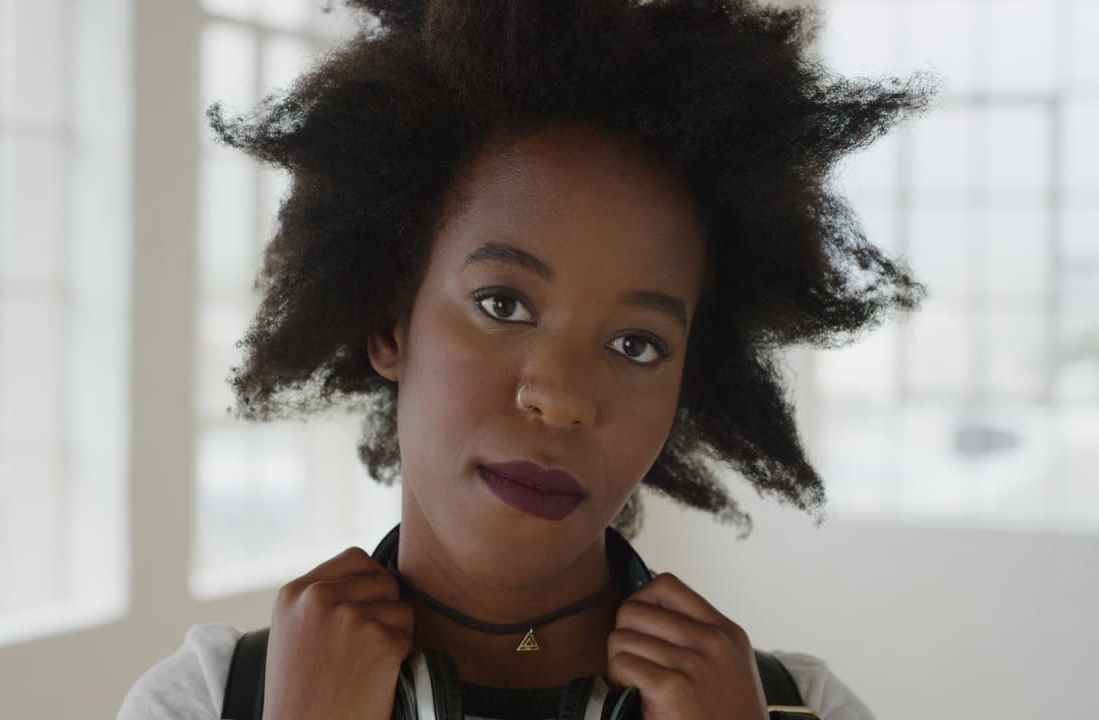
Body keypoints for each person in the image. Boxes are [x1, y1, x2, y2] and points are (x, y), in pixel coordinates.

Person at [118, 0, 933, 718]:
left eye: (636, 345)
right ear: (389, 324)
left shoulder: (796, 707)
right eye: (502, 304)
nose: (562, 397)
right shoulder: (206, 702)